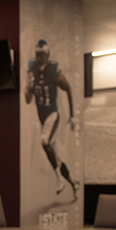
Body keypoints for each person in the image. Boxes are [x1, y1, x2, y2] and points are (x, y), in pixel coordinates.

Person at [25, 38, 80, 199]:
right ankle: (73, 181)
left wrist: (72, 115)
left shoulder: (54, 72)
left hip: (53, 115)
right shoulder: (33, 70)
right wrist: (28, 87)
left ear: (47, 55)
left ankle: (58, 180)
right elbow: (28, 99)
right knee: (56, 158)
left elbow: (68, 88)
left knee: (44, 141)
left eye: (42, 54)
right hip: (43, 119)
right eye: (38, 54)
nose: (40, 57)